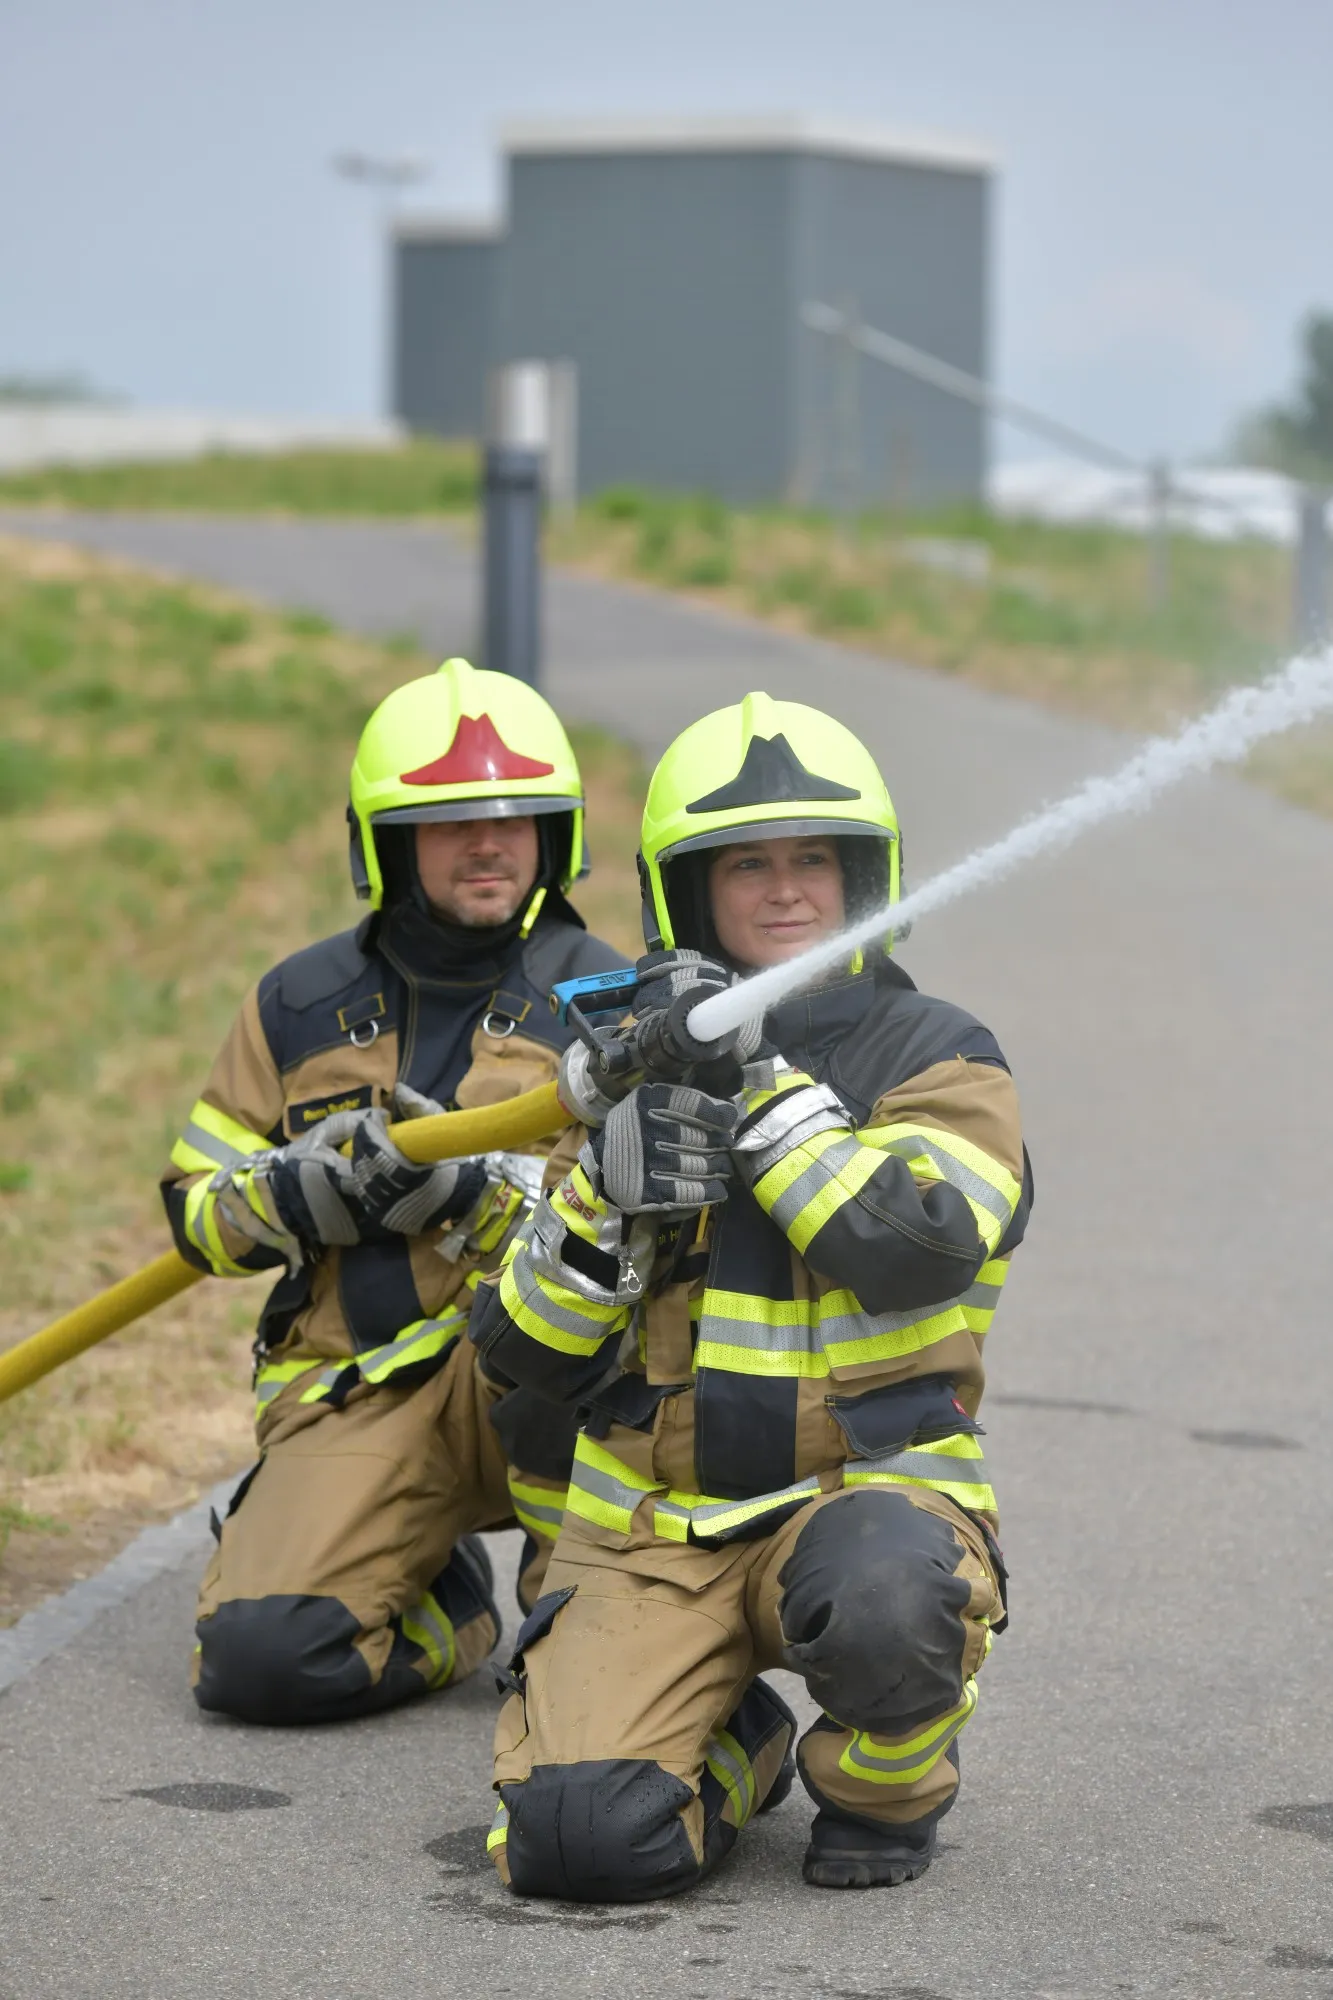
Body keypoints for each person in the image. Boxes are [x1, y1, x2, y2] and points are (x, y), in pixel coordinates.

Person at [470, 690, 1033, 1897]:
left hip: (860, 1505)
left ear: (861, 876)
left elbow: (916, 1245)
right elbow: (523, 1350)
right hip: (651, 1529)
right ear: (688, 893)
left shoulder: (938, 1051)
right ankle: (737, 1739)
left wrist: (760, 1090)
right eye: (748, 865)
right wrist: (605, 1205)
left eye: (813, 860)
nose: (786, 889)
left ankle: (885, 1783)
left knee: (888, 1597)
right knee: (573, 1841)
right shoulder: (633, 1068)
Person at [161, 657, 628, 1724]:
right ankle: (444, 1598)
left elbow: (643, 1243)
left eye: (515, 818)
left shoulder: (608, 1003)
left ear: (553, 835)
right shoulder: (296, 1001)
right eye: (451, 819)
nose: (488, 843)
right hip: (364, 1384)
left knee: (588, 1684)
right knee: (263, 1663)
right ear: (385, 839)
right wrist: (291, 1193)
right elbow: (193, 1214)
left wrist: (478, 1201)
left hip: (547, 1378)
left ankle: (568, 1601)